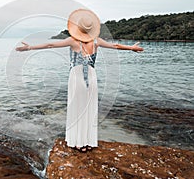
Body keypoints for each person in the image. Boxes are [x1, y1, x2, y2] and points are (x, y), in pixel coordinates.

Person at [16, 9, 144, 152]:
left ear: (77, 29)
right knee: (89, 108)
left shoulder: (73, 41)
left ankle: (77, 142)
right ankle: (89, 141)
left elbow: (50, 45)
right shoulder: (96, 41)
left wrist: (29, 47)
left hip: (77, 76)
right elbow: (116, 46)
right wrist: (131, 48)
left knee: (77, 107)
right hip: (91, 75)